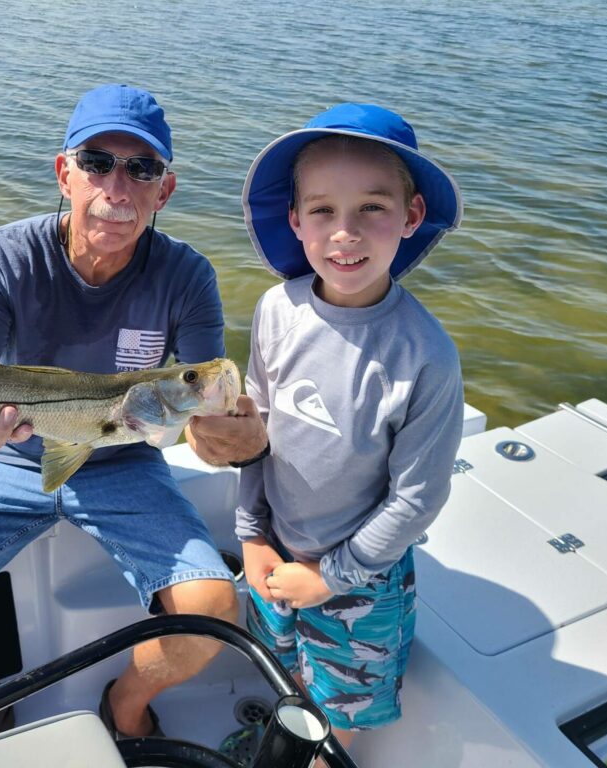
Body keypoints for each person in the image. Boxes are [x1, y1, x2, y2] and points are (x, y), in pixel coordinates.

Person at [0, 84, 262, 739]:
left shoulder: (187, 276)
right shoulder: (5, 256)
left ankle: (124, 706)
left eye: (143, 169)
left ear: (166, 189)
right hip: (9, 455)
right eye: (97, 162)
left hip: (123, 458)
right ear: (63, 173)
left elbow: (213, 401)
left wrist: (235, 434)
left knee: (214, 609)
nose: (118, 187)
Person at [226, 103, 465, 758]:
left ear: (411, 216)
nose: (345, 233)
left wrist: (331, 578)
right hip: (273, 552)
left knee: (342, 705)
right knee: (282, 668)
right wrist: (251, 536)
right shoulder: (276, 309)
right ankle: (280, 733)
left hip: (362, 578)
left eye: (372, 209)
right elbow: (256, 433)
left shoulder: (426, 355)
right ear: (295, 220)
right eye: (324, 211)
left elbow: (417, 500)